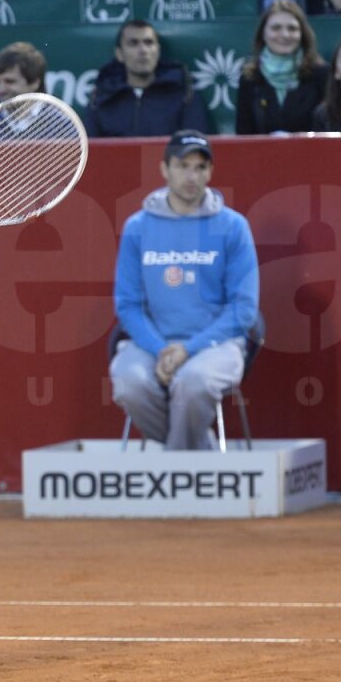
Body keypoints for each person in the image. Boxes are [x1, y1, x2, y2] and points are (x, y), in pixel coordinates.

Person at [109, 129, 259, 450]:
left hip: (216, 346)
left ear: (210, 173)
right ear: (165, 169)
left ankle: (173, 469)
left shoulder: (233, 227)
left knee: (194, 383)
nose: (192, 175)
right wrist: (160, 349)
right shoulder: (138, 228)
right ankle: (196, 454)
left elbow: (243, 309)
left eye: (200, 167)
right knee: (129, 383)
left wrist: (188, 350)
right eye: (183, 165)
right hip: (153, 346)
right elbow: (128, 305)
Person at [83, 19, 209, 138]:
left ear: (158, 51)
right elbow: (90, 150)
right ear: (119, 54)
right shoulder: (101, 98)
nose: (143, 50)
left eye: (149, 43)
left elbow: (195, 151)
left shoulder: (184, 94)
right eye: (133, 43)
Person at [234, 0, 327, 134]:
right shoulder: (250, 78)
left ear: (302, 34)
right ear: (263, 34)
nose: (284, 35)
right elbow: (243, 135)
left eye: (292, 28)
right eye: (276, 28)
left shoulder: (320, 74)